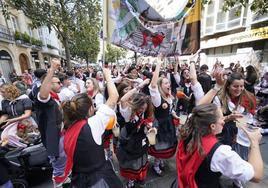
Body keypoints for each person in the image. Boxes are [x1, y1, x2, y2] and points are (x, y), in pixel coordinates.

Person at [59, 68, 123, 187]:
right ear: (90, 109)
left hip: (79, 179)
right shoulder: (93, 124)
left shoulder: (67, 127)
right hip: (99, 180)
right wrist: (108, 76)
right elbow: (114, 96)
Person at [176, 103, 263, 188]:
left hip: (184, 182)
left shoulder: (189, 130)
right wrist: (254, 142)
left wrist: (228, 117)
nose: (223, 121)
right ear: (212, 126)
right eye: (221, 118)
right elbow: (256, 175)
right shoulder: (219, 152)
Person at [198, 69, 257, 161]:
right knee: (223, 160)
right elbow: (218, 119)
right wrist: (230, 117)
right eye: (235, 86)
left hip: (242, 136)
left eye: (241, 86)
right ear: (228, 86)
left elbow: (250, 119)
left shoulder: (248, 98)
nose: (239, 89)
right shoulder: (220, 98)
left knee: (240, 161)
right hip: (224, 133)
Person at [35, 58, 68, 187]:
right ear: (49, 85)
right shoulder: (43, 98)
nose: (61, 84)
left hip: (60, 136)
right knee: (59, 169)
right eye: (57, 82)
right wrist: (52, 69)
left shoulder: (55, 98)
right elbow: (43, 95)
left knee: (63, 166)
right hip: (55, 140)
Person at [117, 80, 152, 188]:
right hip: (130, 140)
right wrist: (139, 86)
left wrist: (149, 127)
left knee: (141, 158)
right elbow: (123, 99)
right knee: (132, 161)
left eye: (144, 108)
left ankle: (139, 176)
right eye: (141, 108)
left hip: (140, 138)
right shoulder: (128, 113)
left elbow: (147, 121)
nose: (143, 110)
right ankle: (131, 179)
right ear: (136, 105)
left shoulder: (144, 111)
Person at [148, 55, 179, 176]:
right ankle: (156, 165)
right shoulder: (157, 99)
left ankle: (160, 161)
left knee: (167, 144)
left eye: (168, 82)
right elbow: (152, 86)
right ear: (160, 86)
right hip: (160, 126)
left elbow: (170, 110)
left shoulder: (169, 97)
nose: (168, 84)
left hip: (169, 124)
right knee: (160, 146)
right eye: (165, 83)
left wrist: (174, 115)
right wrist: (158, 64)